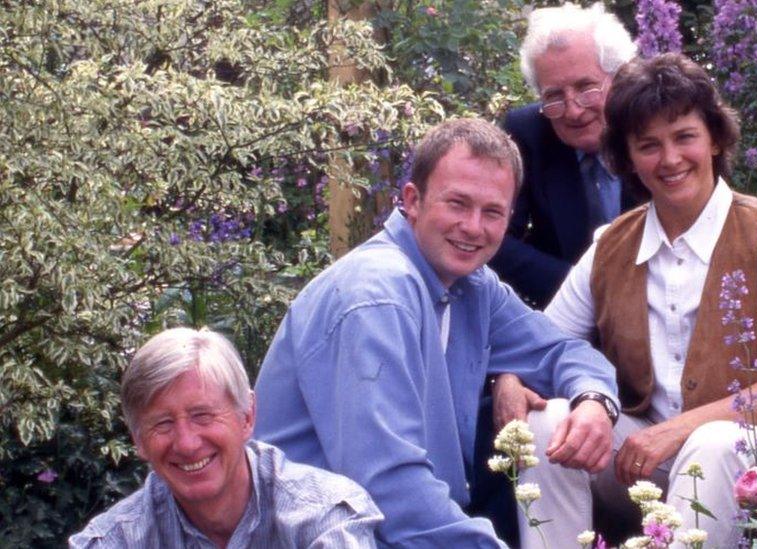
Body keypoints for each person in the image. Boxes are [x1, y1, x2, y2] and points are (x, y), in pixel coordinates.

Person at [497, 54, 757, 547]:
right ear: (628, 159)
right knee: (546, 422)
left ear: (715, 137)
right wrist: (510, 378)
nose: (670, 159)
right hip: (648, 461)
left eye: (684, 137)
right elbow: (541, 344)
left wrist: (680, 429)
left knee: (713, 444)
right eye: (648, 146)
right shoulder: (612, 244)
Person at [253, 118, 620, 548]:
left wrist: (594, 401)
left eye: (492, 212)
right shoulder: (377, 296)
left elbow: (561, 350)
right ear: (413, 200)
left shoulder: (470, 286)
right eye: (457, 204)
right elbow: (388, 491)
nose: (473, 227)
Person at [69, 327, 381, 548]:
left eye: (202, 416)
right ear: (138, 440)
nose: (187, 443)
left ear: (247, 416)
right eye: (163, 424)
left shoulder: (322, 518)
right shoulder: (115, 540)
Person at [489, 3, 643, 308]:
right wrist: (583, 290)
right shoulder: (528, 133)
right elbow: (495, 238)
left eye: (586, 87)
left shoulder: (651, 126)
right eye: (554, 96)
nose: (573, 110)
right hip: (563, 307)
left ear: (619, 78)